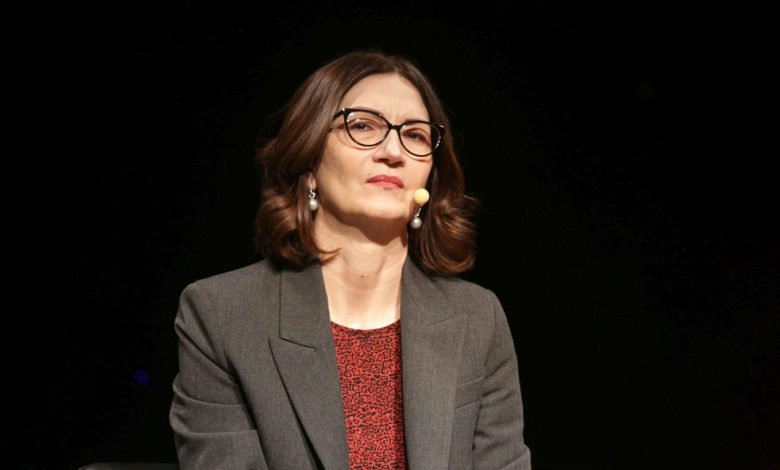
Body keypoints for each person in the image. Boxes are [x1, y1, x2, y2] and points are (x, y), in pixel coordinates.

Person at [169, 49, 532, 469]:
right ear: (308, 161)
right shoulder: (223, 313)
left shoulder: (477, 317)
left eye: (415, 135)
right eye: (362, 126)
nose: (393, 151)